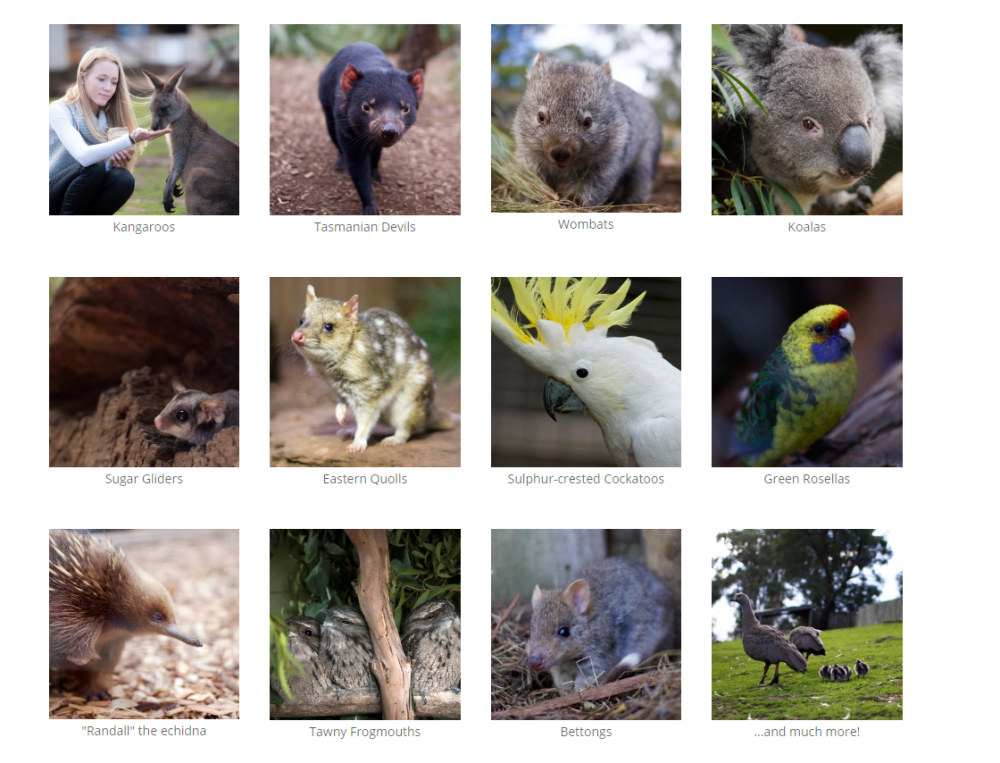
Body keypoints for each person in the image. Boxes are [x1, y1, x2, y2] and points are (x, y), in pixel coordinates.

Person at [49, 47, 171, 215]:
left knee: (123, 179)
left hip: (77, 195)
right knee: (93, 167)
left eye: (114, 82)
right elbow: (84, 157)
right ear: (83, 78)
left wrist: (112, 164)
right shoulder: (58, 110)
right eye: (101, 79)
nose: (108, 88)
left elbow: (94, 176)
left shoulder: (109, 119)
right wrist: (131, 139)